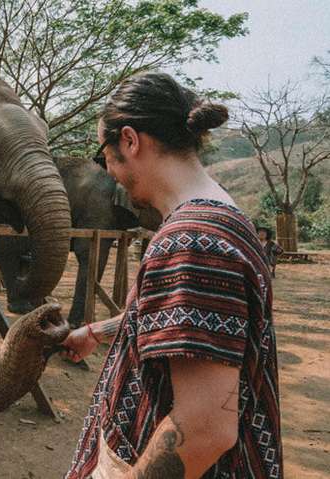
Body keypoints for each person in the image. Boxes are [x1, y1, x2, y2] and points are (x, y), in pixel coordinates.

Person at [61, 72, 282, 479]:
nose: (107, 169)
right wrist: (96, 332)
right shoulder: (221, 217)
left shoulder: (190, 241)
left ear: (129, 140)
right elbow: (185, 322)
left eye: (102, 155)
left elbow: (204, 430)